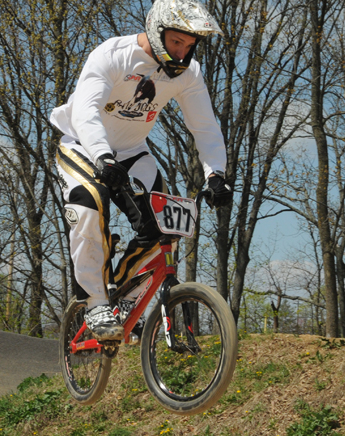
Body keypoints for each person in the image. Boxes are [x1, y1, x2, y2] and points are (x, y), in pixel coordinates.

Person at [50, 0, 233, 341]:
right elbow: (86, 110)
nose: (182, 53)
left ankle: (123, 296)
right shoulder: (113, 55)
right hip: (83, 145)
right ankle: (94, 302)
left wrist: (216, 174)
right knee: (89, 206)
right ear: (156, 31)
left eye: (190, 46)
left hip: (133, 152)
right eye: (176, 42)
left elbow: (204, 126)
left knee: (167, 226)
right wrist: (102, 156)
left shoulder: (188, 73)